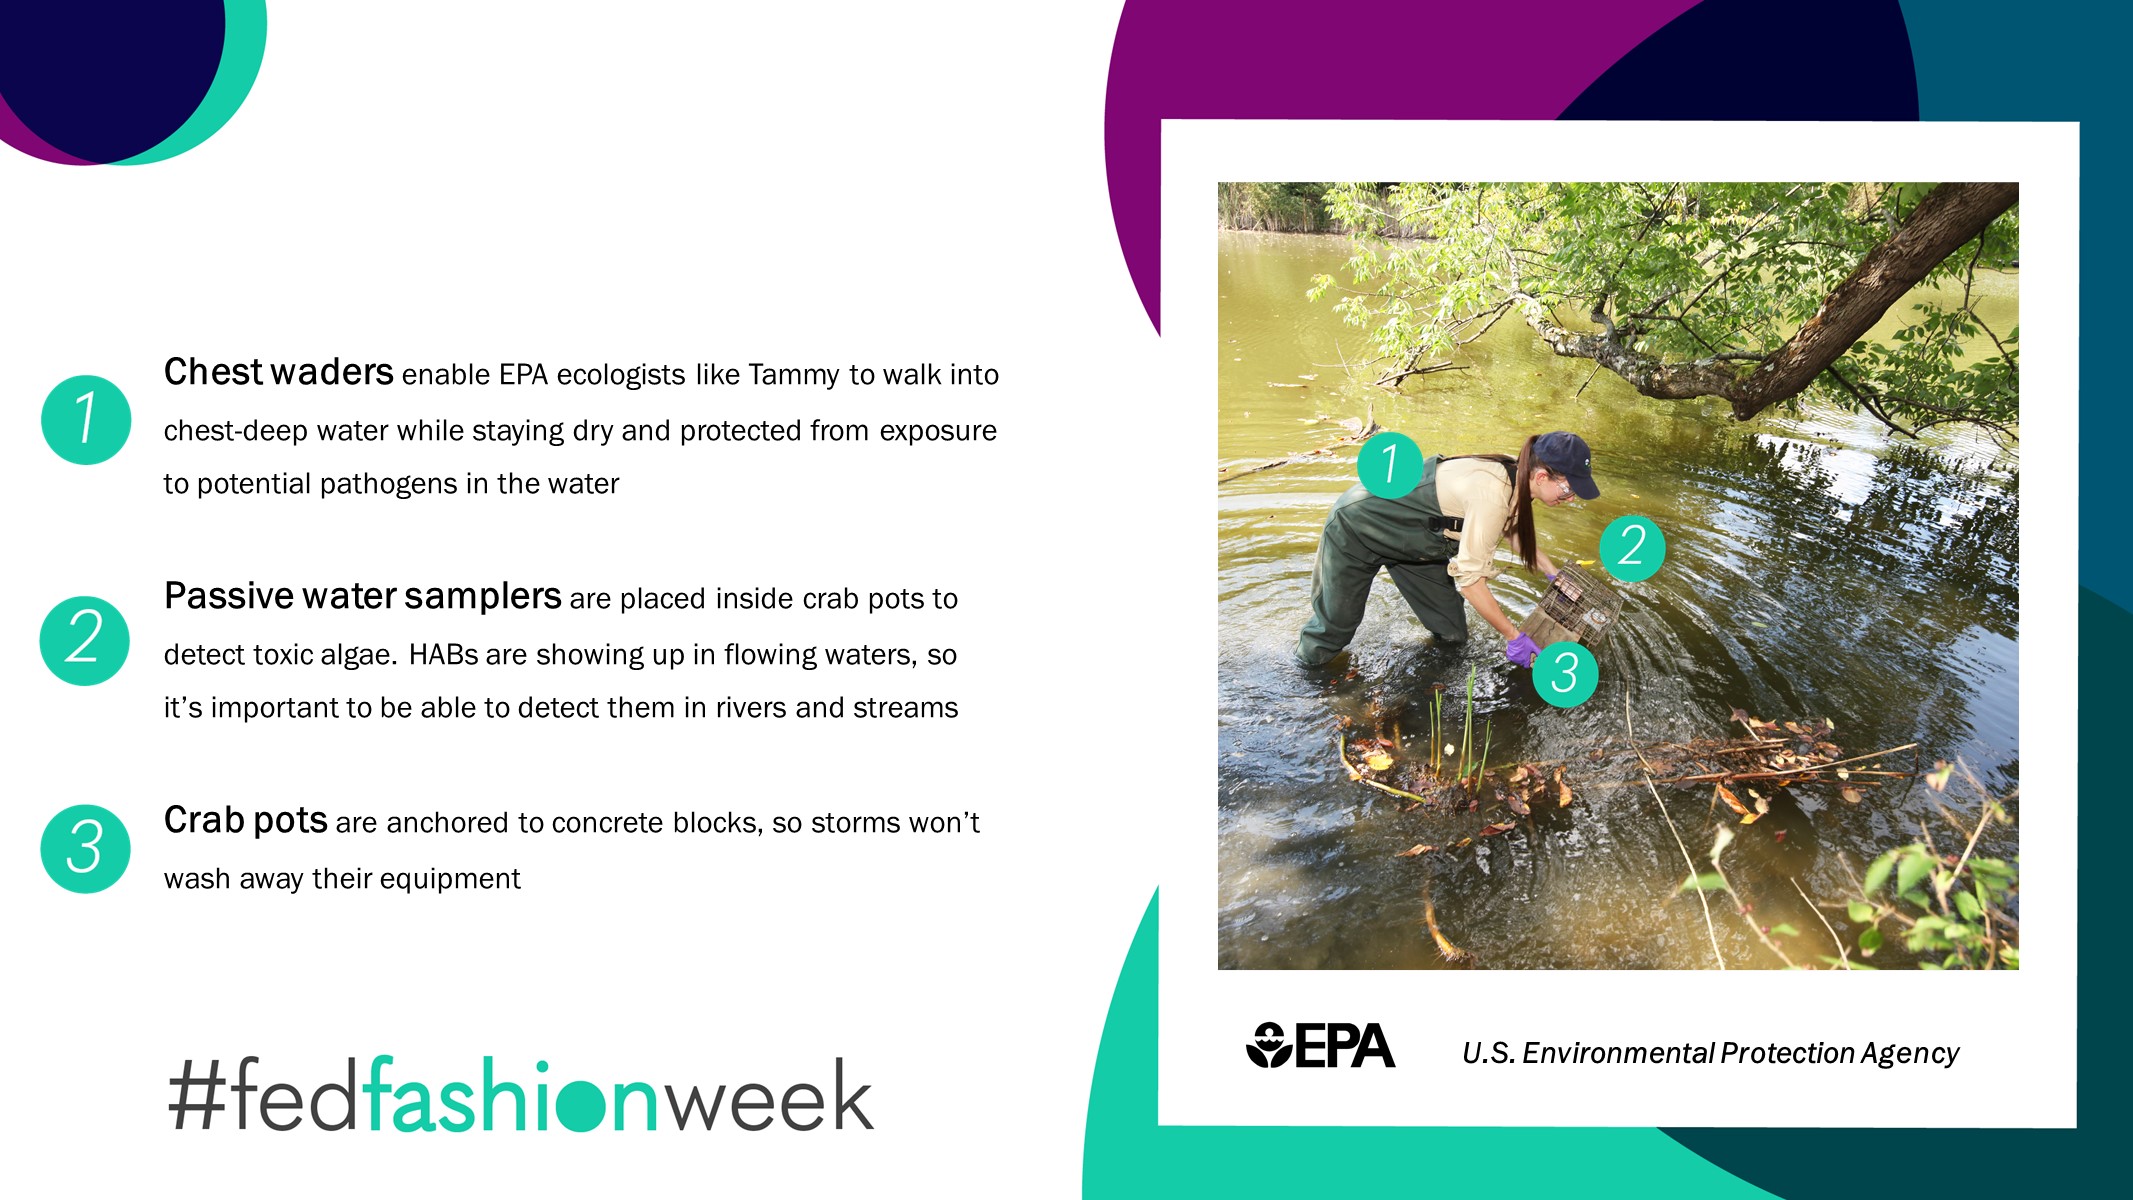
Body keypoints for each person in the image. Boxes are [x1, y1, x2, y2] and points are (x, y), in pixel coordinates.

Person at [1294, 430, 1599, 668]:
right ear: (1542, 476)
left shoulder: (1518, 479)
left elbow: (1513, 528)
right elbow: (1470, 582)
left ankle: (1428, 686)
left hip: (1417, 546)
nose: (1571, 499)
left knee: (1452, 634)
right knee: (1335, 627)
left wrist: (1553, 573)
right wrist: (1513, 636)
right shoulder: (1492, 491)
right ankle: (1304, 680)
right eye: (1568, 489)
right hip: (1360, 527)